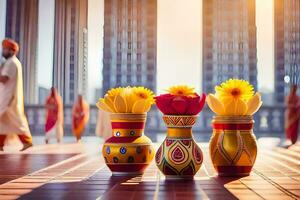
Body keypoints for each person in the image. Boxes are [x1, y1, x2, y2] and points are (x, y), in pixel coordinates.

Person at [0, 39, 32, 151]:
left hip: (9, 98)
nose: (3, 51)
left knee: (16, 121)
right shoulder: (11, 62)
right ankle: (0, 144)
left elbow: (4, 79)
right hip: (7, 97)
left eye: (5, 49)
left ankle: (27, 141)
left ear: (12, 51)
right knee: (3, 122)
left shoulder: (11, 63)